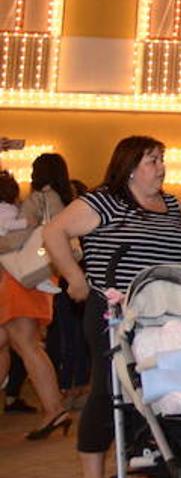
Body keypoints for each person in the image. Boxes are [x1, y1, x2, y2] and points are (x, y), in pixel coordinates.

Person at [41, 136, 181, 478]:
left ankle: (142, 467)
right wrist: (74, 279)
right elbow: (53, 232)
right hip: (112, 311)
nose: (160, 167)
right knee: (107, 389)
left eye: (162, 160)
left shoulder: (171, 204)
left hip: (160, 313)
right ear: (129, 167)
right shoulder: (104, 201)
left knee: (149, 391)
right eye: (152, 161)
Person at [0, 169, 68, 440]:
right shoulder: (21, 210)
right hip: (23, 282)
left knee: (27, 346)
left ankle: (54, 409)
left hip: (17, 283)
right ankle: (54, 409)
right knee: (10, 344)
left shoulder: (21, 212)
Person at [28, 154, 88, 407]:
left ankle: (63, 395)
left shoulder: (44, 198)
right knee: (69, 334)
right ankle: (70, 390)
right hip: (65, 271)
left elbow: (40, 234)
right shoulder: (68, 200)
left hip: (50, 272)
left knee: (54, 337)